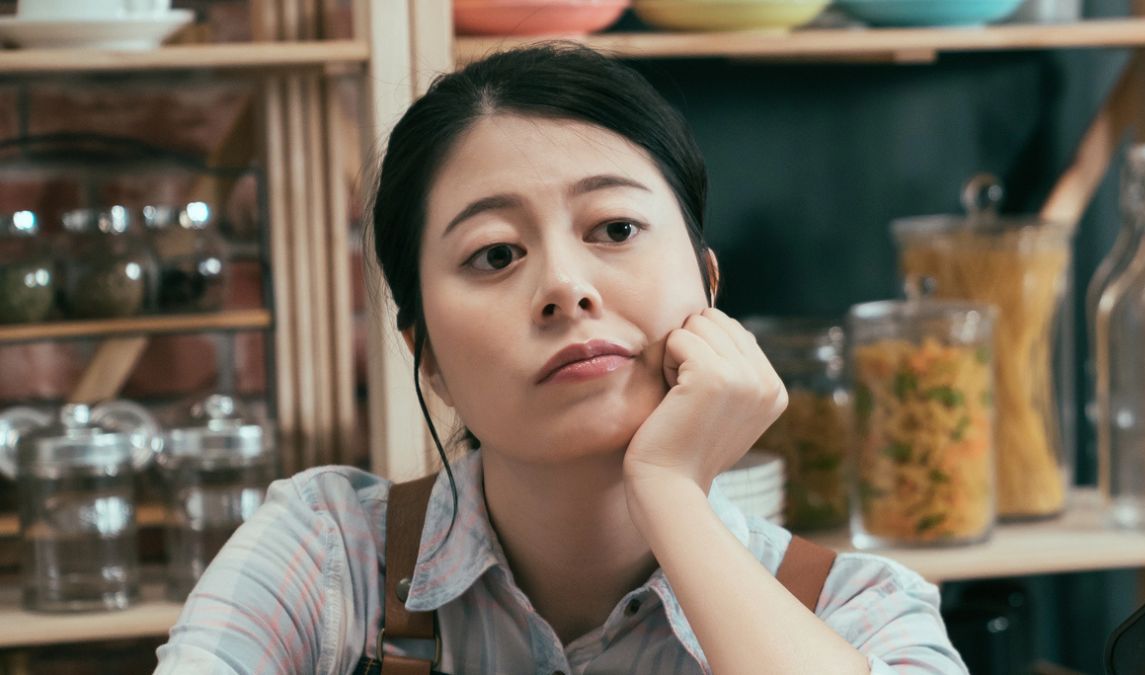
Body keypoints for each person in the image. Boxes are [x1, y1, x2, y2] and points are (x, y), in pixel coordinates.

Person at [154, 43, 967, 674]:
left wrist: (671, 493)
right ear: (424, 355)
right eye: (495, 253)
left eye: (614, 229)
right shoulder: (330, 552)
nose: (565, 287)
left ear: (708, 287)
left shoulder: (859, 612)